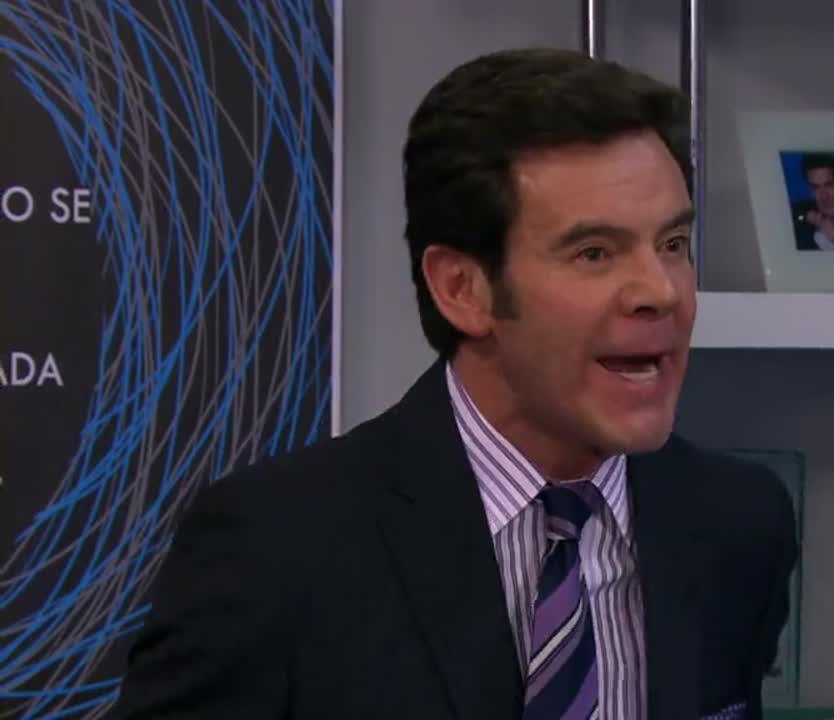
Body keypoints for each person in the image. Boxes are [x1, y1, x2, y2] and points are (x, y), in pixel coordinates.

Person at [108, 48, 797, 720]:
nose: (661, 291)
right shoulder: (277, 547)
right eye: (595, 253)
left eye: (672, 245)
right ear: (462, 289)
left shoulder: (739, 525)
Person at [791, 153, 834, 250]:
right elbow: (798, 216)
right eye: (815, 187)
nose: (824, 196)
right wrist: (814, 219)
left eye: (828, 185)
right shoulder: (800, 214)